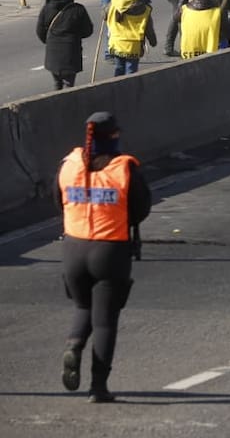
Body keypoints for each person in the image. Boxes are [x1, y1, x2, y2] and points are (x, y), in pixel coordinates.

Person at [58, 112, 152, 403]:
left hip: (73, 247)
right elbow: (140, 210)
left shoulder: (69, 166)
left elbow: (56, 199)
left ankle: (74, 344)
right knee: (105, 321)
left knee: (83, 305)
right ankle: (98, 387)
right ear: (113, 136)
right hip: (109, 250)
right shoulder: (124, 169)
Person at [36, 0, 94, 90]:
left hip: (52, 53)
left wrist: (50, 40)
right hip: (71, 52)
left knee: (57, 83)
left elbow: (40, 31)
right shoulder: (78, 9)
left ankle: (56, 104)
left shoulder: (46, 8)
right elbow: (88, 31)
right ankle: (67, 105)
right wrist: (75, 36)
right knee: (69, 84)